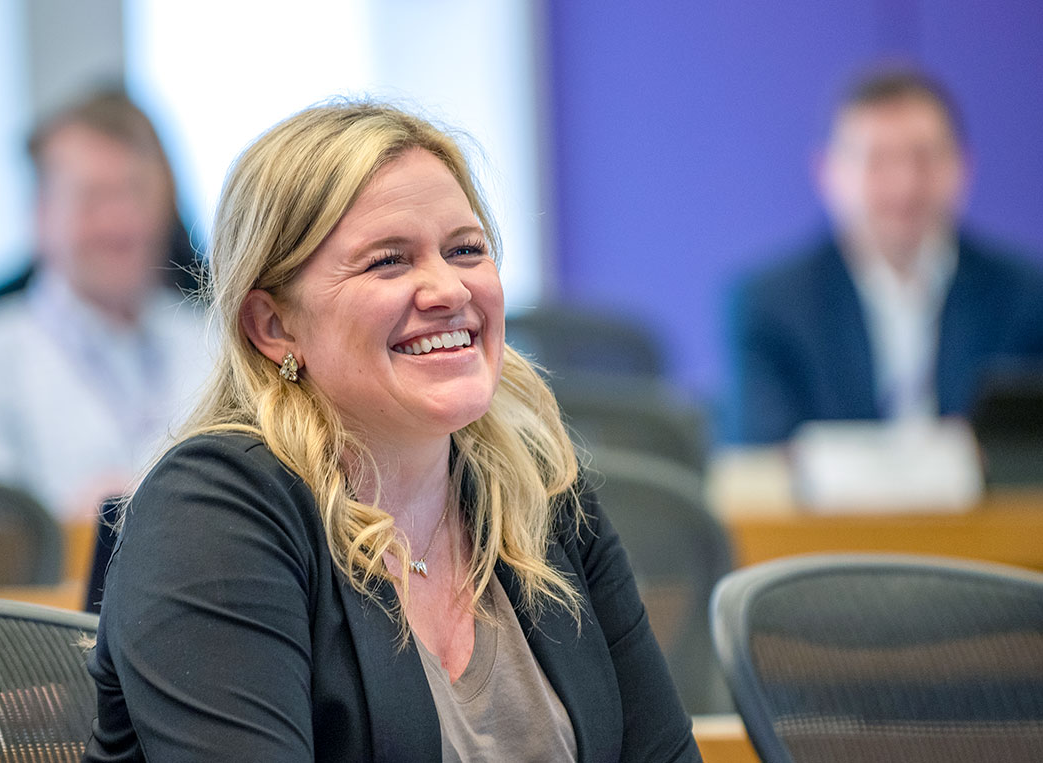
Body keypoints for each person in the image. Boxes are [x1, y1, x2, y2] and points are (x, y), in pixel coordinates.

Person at [85, 103, 700, 762]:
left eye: (466, 249)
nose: (446, 288)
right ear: (273, 325)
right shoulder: (211, 514)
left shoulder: (538, 490)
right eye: (388, 261)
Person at [0, 88, 213, 518]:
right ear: (41, 215)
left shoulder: (214, 343)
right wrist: (71, 526)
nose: (119, 222)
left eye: (137, 193)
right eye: (93, 199)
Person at [723, 67, 1043, 445]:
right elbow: (763, 455)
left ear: (962, 166)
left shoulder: (1024, 295)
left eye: (923, 158)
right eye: (877, 161)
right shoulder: (770, 304)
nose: (903, 185)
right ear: (828, 172)